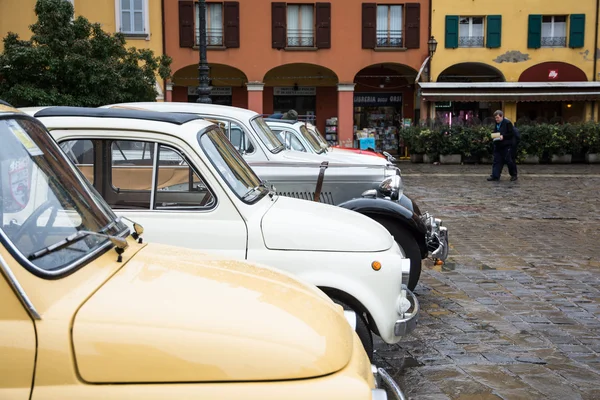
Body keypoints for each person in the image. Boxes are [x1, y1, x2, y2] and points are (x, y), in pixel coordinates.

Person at [488, 110, 518, 182]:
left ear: (501, 116)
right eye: (495, 118)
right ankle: (495, 176)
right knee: (497, 161)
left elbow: (511, 134)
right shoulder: (497, 123)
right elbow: (496, 131)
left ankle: (514, 175)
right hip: (498, 144)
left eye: (497, 117)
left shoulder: (507, 123)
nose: (496, 119)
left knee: (509, 161)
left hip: (506, 145)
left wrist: (503, 136)